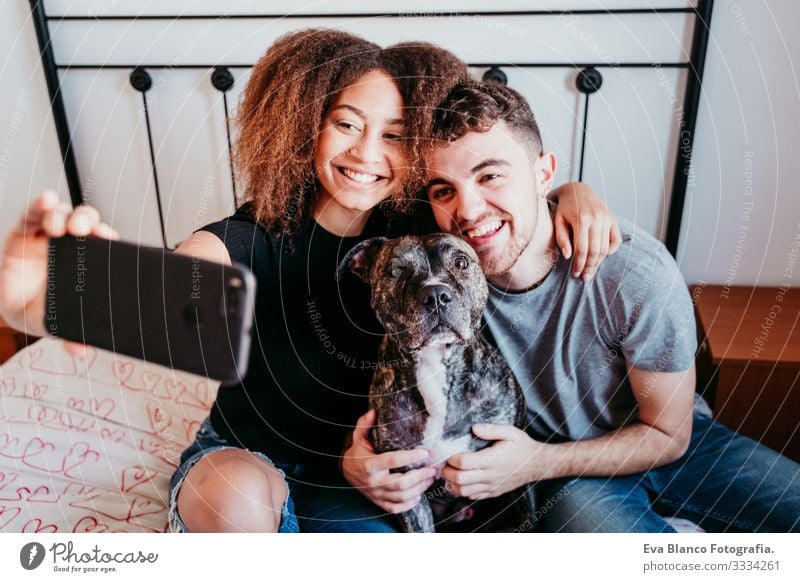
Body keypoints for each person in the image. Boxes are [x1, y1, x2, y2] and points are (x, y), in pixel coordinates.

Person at [0, 31, 618, 533]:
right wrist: (35, 301)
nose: (368, 152)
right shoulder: (251, 236)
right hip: (249, 453)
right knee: (236, 497)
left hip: (364, 479)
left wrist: (570, 193)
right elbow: (170, 290)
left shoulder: (417, 233)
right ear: (306, 124)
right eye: (346, 123)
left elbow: (493, 206)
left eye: (396, 135)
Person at [422, 79, 800, 532]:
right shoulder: (441, 285)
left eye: (490, 176)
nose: (467, 210)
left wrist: (536, 461)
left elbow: (668, 434)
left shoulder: (634, 273)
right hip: (573, 472)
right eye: (444, 190)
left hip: (671, 440)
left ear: (544, 174)